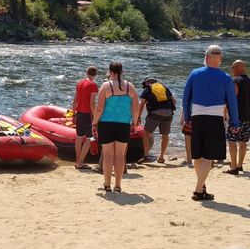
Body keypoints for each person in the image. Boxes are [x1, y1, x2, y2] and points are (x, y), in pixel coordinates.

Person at [182, 45, 240, 201]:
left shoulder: (194, 74)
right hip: (215, 119)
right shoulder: (226, 78)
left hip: (197, 117)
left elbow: (186, 98)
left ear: (206, 57)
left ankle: (201, 187)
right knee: (208, 157)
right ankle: (198, 190)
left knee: (198, 156)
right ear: (220, 59)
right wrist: (235, 122)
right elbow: (232, 103)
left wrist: (187, 117)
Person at [92, 62, 138, 193]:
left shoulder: (106, 86)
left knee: (107, 155)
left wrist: (94, 123)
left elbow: (99, 108)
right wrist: (134, 123)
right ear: (122, 71)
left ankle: (107, 185)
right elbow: (135, 108)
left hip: (106, 124)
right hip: (123, 124)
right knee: (119, 155)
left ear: (110, 72)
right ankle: (118, 185)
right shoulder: (130, 87)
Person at [224, 60, 250, 175]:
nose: (232, 70)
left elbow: (231, 100)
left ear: (236, 68)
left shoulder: (235, 81)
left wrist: (225, 113)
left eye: (232, 68)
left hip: (236, 117)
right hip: (248, 115)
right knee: (243, 142)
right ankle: (240, 165)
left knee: (232, 141)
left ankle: (233, 167)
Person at [137, 77, 176, 164]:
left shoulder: (147, 89)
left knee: (146, 133)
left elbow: (142, 104)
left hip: (155, 114)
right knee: (165, 135)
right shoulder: (164, 88)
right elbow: (174, 101)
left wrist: (138, 117)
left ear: (146, 83)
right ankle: (161, 157)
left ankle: (146, 156)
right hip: (169, 113)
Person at [71, 66, 98, 170]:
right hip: (88, 115)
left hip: (79, 113)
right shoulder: (93, 85)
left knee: (78, 137)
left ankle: (78, 161)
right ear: (95, 74)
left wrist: (73, 114)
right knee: (89, 138)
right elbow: (92, 104)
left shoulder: (80, 83)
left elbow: (74, 101)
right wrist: (96, 117)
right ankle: (80, 162)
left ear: (86, 73)